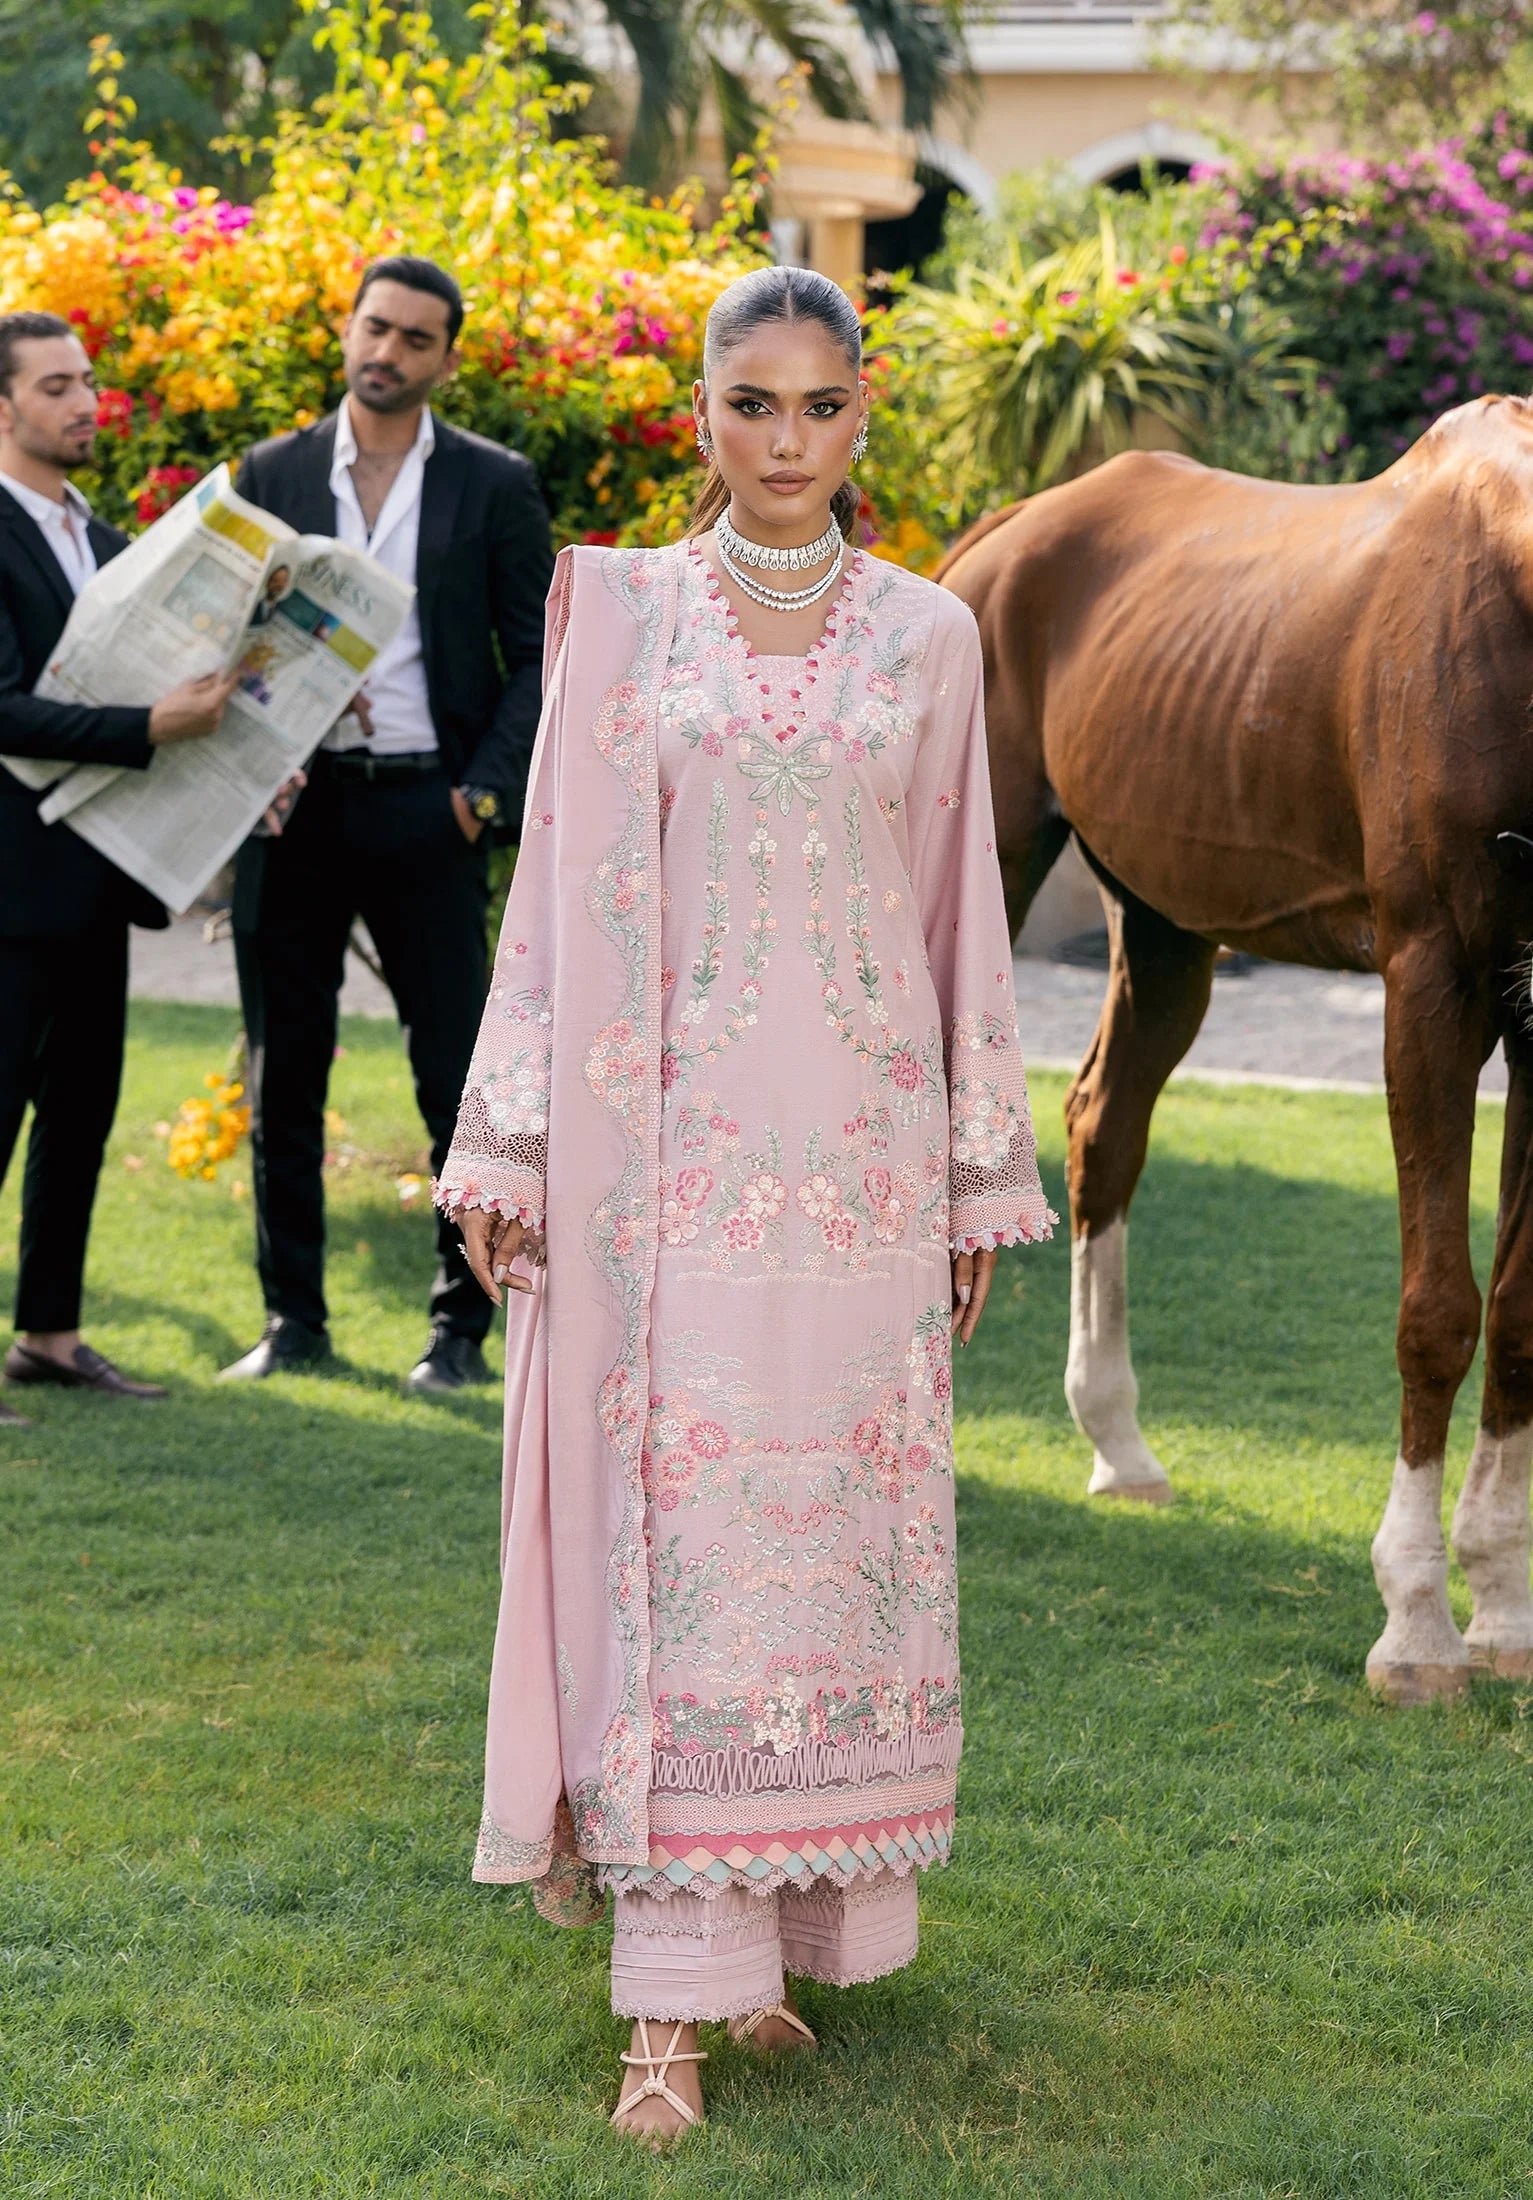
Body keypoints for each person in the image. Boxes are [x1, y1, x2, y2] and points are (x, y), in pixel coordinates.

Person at [437, 265, 1057, 2140]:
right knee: (680, 1573)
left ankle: (782, 1946)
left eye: (820, 407)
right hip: (671, 1181)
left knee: (825, 1574)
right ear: (697, 411)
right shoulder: (620, 619)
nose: (785, 443)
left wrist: (968, 1178)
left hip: (858, 1179)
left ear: (864, 415)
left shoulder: (930, 637)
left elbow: (962, 927)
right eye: (748, 404)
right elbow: (546, 884)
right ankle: (665, 2015)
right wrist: (516, 1143)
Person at [221, 256, 555, 1392]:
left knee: (458, 1080)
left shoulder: (493, 484)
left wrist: (478, 799)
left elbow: (536, 663)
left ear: (445, 358)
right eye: (377, 329)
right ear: (347, 331)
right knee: (284, 1078)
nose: (390, 353)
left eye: (417, 339)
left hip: (431, 810)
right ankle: (292, 1323)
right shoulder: (268, 474)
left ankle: (458, 1333)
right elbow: (230, 644)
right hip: (296, 813)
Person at [0, 311, 236, 1421]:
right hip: (5, 882)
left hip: (99, 875)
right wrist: (151, 723)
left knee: (81, 1111)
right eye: (56, 387)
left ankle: (50, 1335)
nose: (85, 402)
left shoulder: (102, 540)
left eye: (88, 381)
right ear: (4, 408)